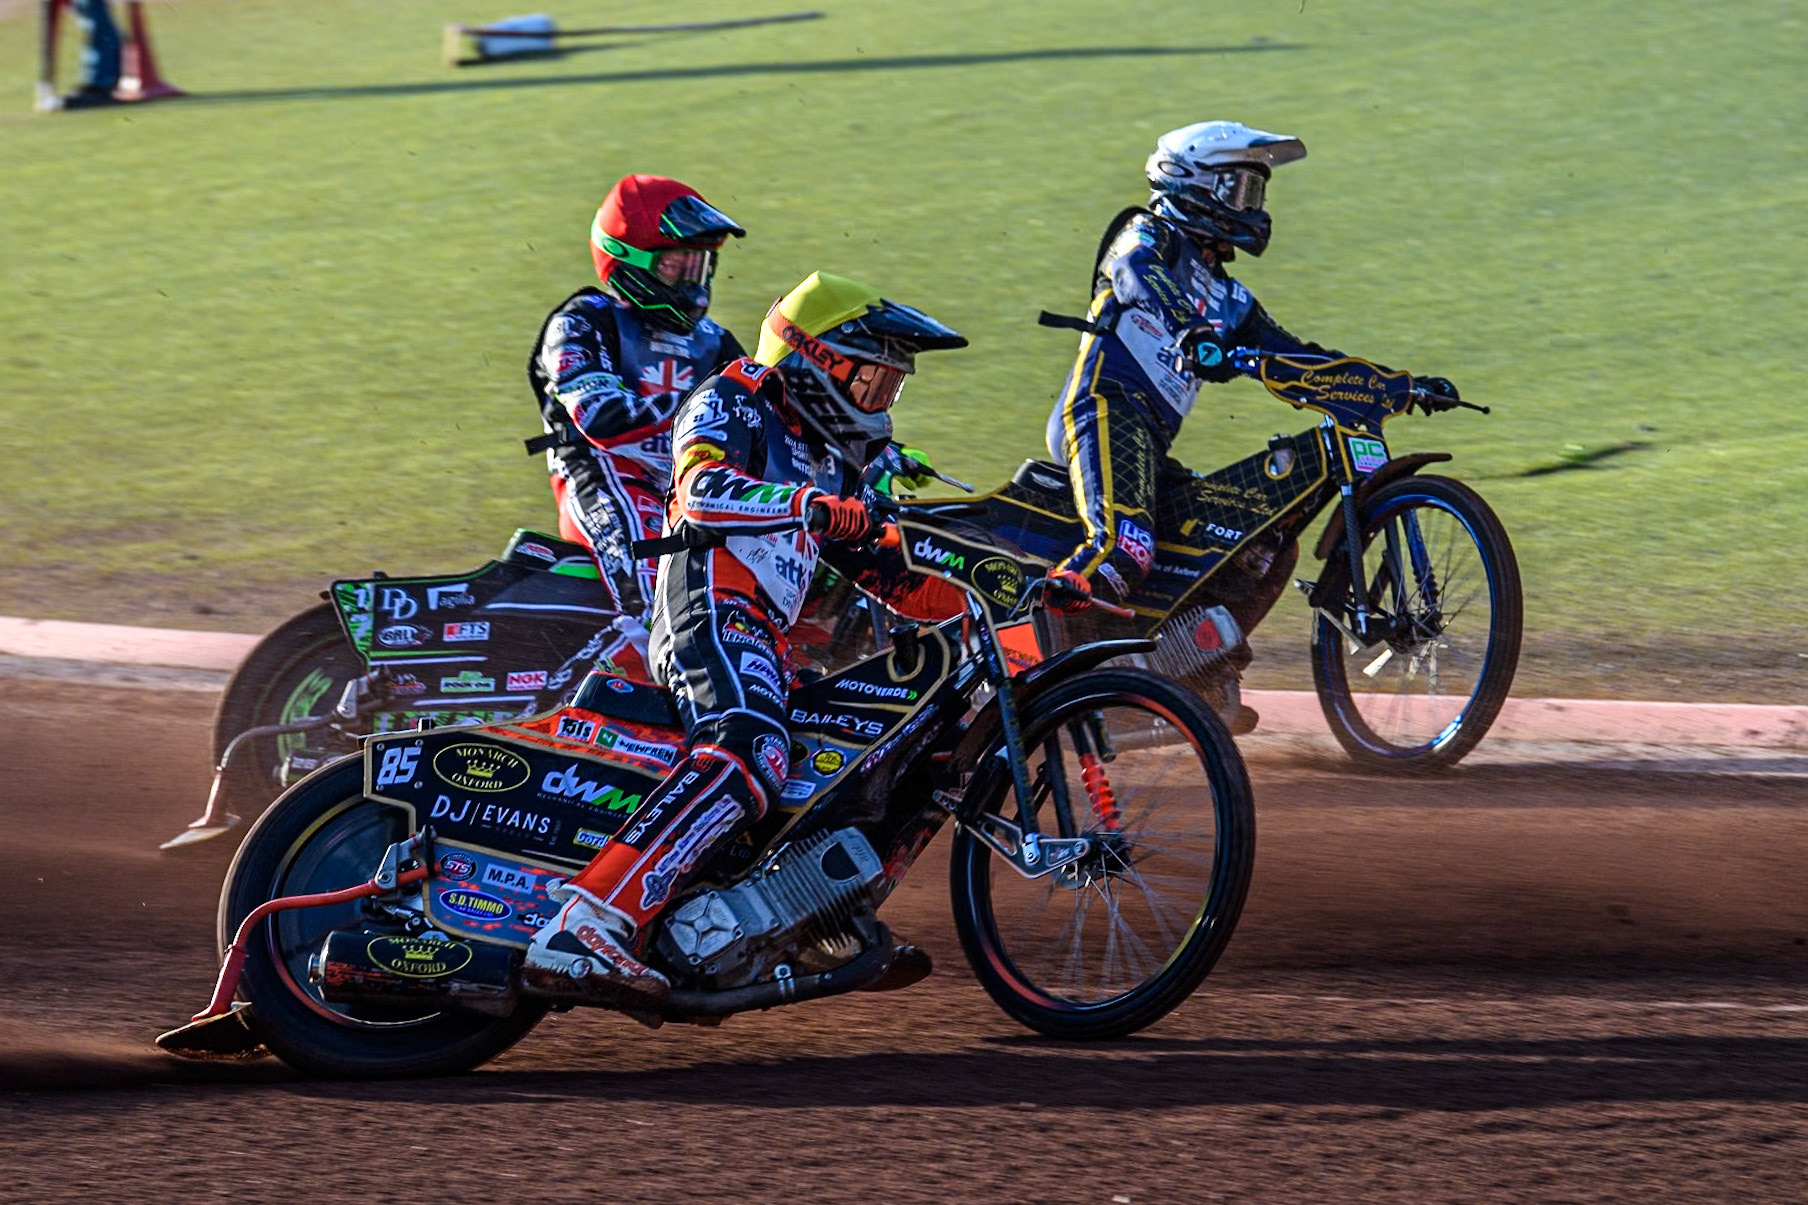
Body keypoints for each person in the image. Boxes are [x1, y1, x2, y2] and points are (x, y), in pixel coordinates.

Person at [522, 271, 968, 1009]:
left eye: (893, 389)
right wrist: (805, 505)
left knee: (870, 753)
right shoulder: (734, 397)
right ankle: (587, 921)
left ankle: (806, 915)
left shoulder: (829, 458)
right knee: (750, 744)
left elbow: (896, 579)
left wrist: (1002, 596)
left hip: (766, 632)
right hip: (707, 601)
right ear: (818, 359)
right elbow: (698, 490)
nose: (881, 403)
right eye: (873, 381)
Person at [1044, 121, 1458, 709]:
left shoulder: (1231, 298)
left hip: (1153, 448)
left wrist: (1400, 385)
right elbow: (1137, 275)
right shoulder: (1146, 235)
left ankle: (1184, 675)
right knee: (1126, 548)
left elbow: (1298, 358)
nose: (1251, 207)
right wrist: (1189, 330)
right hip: (1105, 412)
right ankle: (1038, 673)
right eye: (1238, 190)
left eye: (1255, 194)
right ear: (1191, 182)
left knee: (1265, 549)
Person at [527, 174, 747, 662]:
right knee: (666, 599)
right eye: (677, 266)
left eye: (701, 265)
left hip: (690, 487)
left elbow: (767, 414)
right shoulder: (584, 320)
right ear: (629, 260)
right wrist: (703, 406)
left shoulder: (715, 341)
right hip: (606, 474)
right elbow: (601, 417)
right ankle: (627, 698)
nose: (694, 283)